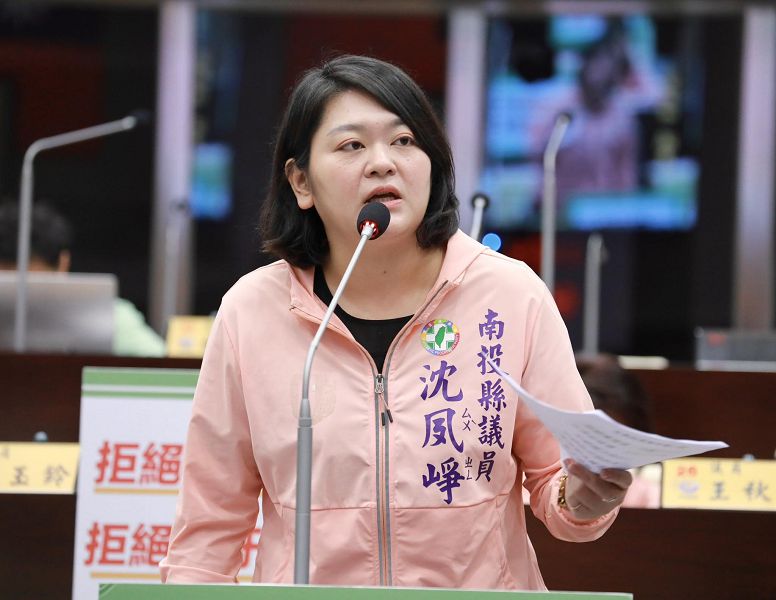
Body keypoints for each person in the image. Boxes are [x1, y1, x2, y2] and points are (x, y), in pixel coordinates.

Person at [160, 55, 632, 590]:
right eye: (351, 146)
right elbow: (209, 526)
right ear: (301, 182)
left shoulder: (510, 294)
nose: (383, 163)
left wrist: (585, 496)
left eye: (404, 141)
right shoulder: (253, 311)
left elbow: (559, 482)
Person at [0, 201, 166, 357]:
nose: (20, 303)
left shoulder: (110, 318)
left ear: (63, 262)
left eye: (34, 287)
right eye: (5, 287)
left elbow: (165, 368)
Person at [576, 354, 661, 508]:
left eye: (612, 437)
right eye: (591, 435)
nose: (599, 448)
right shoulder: (538, 489)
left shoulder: (649, 495)